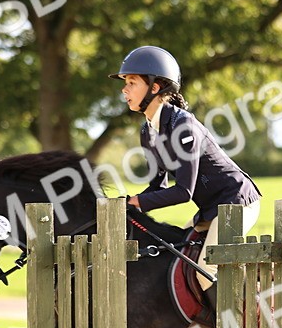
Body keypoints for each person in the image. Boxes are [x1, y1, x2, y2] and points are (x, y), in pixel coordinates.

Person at [112, 46, 261, 313]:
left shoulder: (184, 126)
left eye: (132, 82)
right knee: (177, 258)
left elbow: (183, 192)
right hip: (210, 210)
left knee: (206, 268)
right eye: (126, 83)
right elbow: (158, 185)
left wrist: (136, 202)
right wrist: (129, 204)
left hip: (237, 204)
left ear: (155, 87)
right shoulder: (148, 131)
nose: (125, 90)